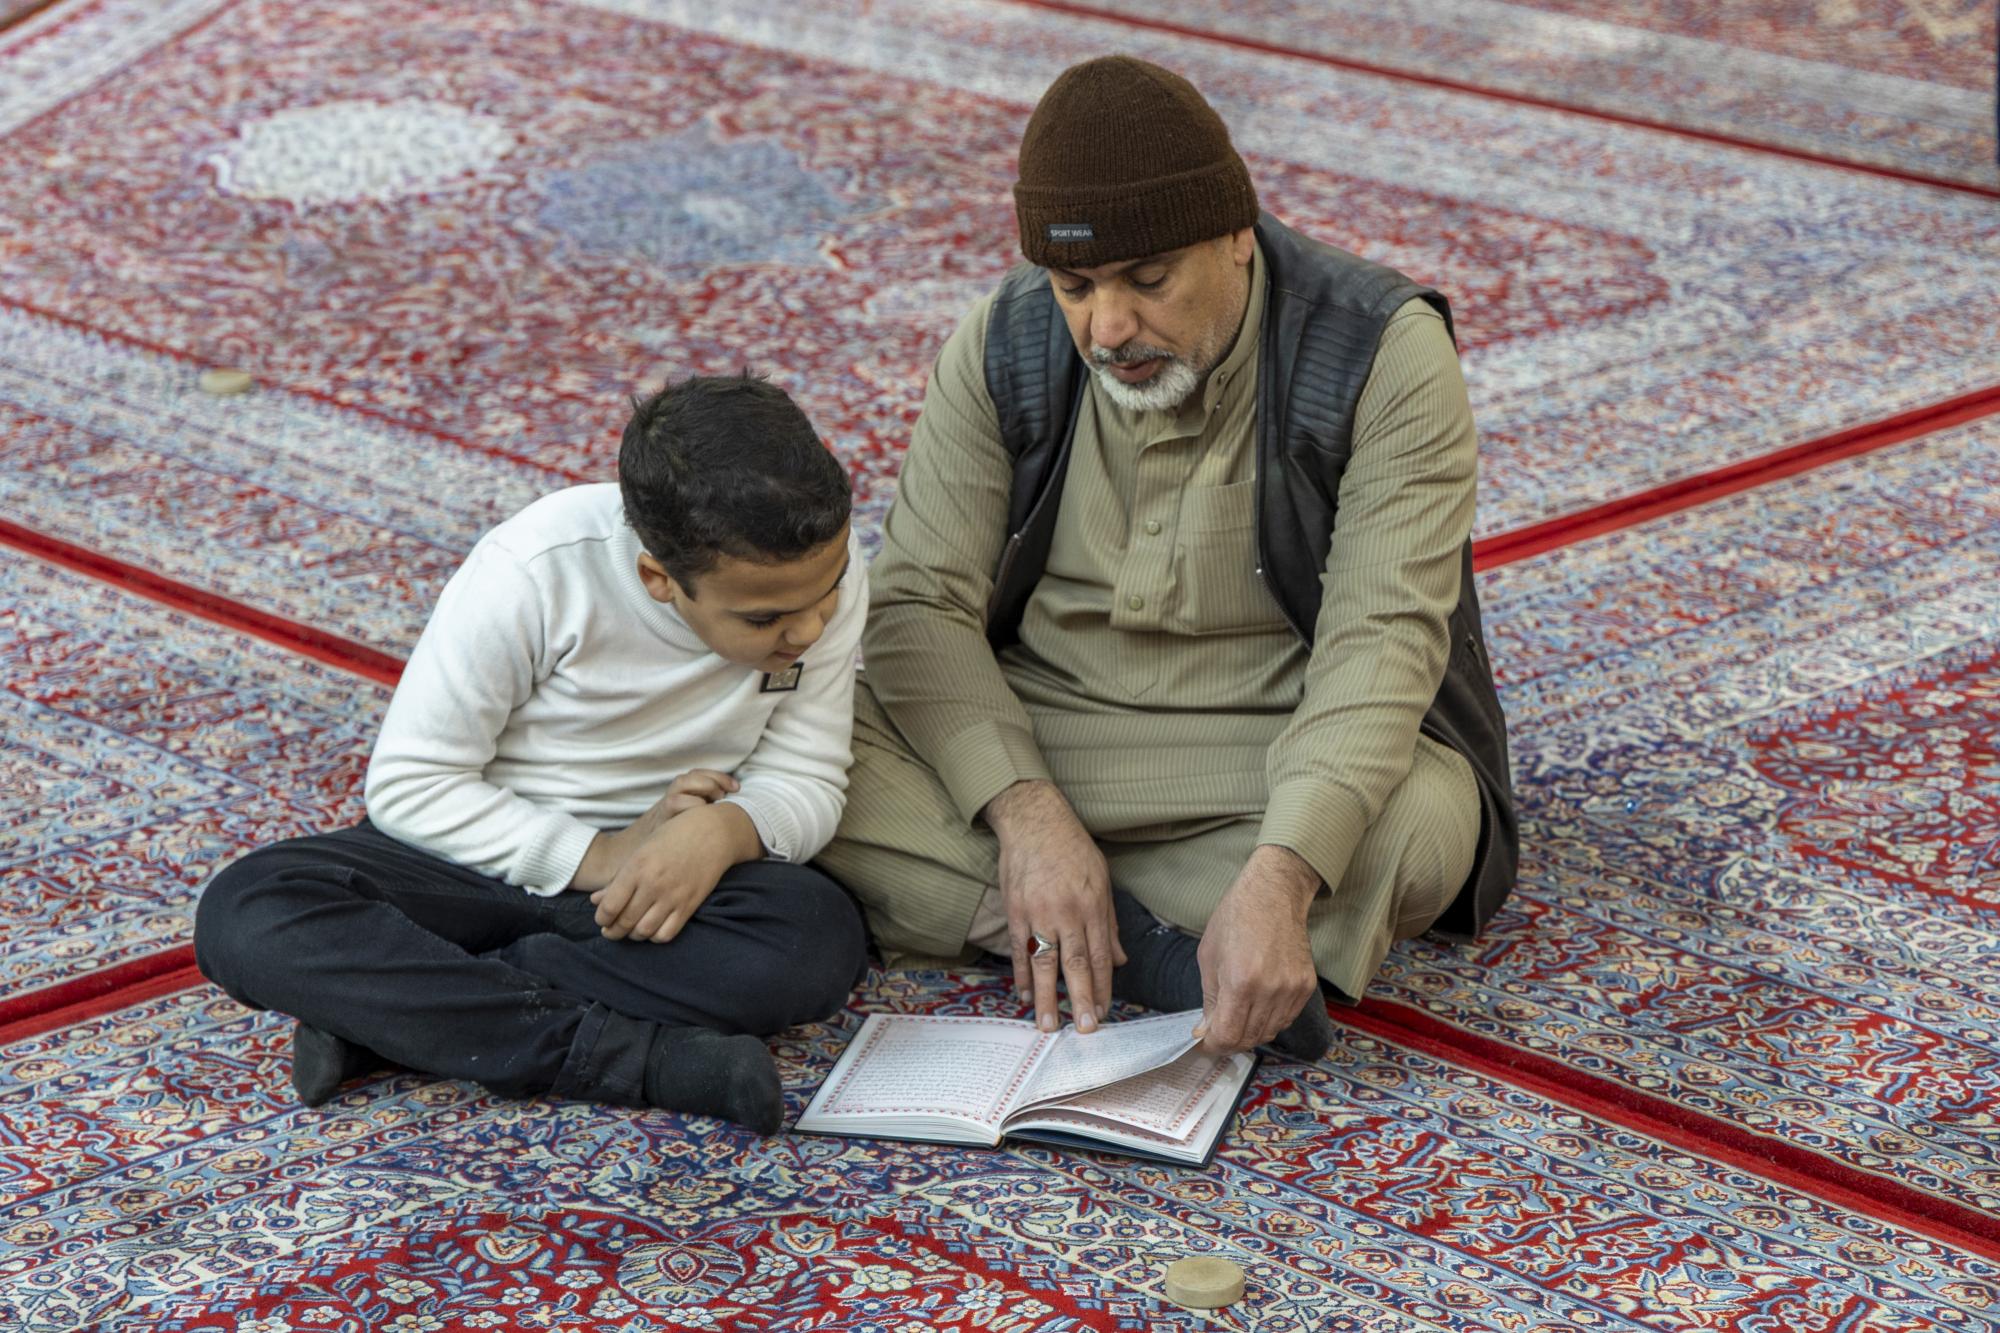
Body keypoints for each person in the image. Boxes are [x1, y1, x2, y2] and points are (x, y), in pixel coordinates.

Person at [816, 55, 1517, 1059]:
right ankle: (1153, 945)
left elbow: (1382, 640)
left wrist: (1283, 870)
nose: (1108, 328)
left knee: (1417, 823)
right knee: (797, 740)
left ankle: (1038, 915)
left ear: (1237, 235)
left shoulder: (1378, 351)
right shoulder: (1006, 341)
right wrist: (1025, 813)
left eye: (1148, 280)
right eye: (1075, 287)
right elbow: (919, 604)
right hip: (1046, 737)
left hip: (1267, 756)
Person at [195, 375, 869, 1134]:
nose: (810, 629)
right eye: (765, 618)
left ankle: (396, 1013)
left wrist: (724, 832)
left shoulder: (818, 578)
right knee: (246, 911)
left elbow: (808, 775)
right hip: (477, 861)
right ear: (658, 579)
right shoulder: (536, 567)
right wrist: (602, 854)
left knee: (818, 937)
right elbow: (413, 785)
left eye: (828, 593)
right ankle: (633, 1058)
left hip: (655, 885)